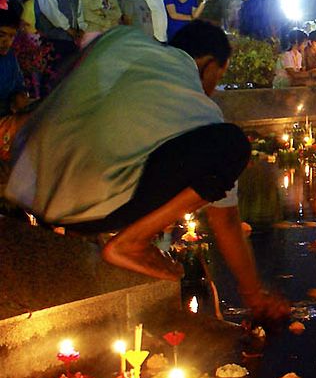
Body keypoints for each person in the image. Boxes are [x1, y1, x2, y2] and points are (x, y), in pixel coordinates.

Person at [3, 22, 288, 319]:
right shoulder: (198, 107)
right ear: (207, 65)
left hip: (39, 196)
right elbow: (226, 220)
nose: (214, 87)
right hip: (92, 212)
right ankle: (131, 243)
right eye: (219, 75)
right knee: (232, 144)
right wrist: (254, 295)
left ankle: (91, 235)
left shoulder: (122, 39)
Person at [0, 7, 30, 116]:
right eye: (1, 35)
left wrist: (20, 95)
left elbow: (18, 84)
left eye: (11, 36)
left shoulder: (10, 57)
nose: (7, 41)